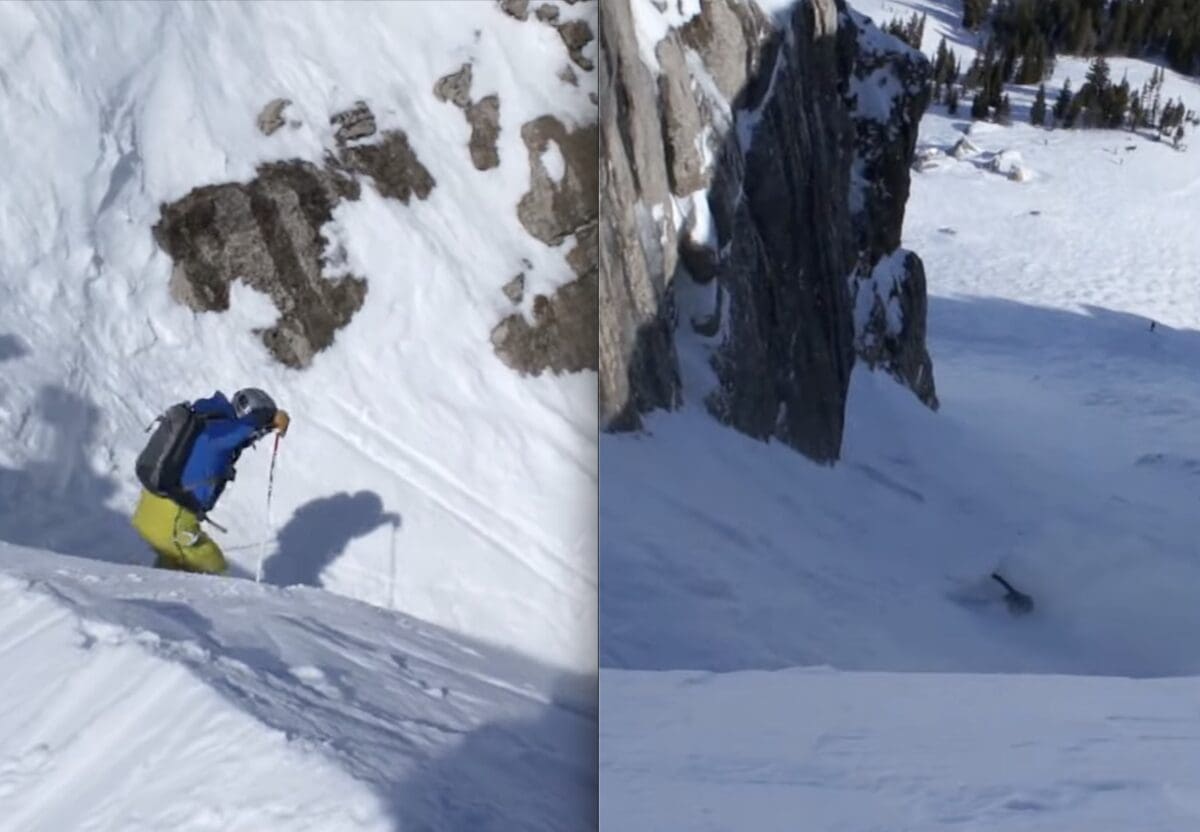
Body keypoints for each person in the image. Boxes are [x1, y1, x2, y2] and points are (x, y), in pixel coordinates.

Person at [131, 388, 289, 574]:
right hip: (173, 521)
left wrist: (267, 427)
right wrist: (269, 416)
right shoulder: (223, 434)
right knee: (215, 571)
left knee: (172, 572)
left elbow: (239, 436)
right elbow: (244, 430)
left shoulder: (208, 421)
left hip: (151, 511)